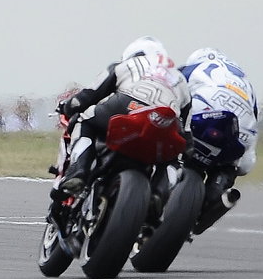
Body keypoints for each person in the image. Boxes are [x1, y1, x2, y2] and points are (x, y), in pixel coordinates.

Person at [51, 36, 192, 202]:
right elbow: (186, 131)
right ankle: (159, 195)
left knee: (85, 120)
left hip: (128, 104)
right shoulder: (180, 78)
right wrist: (186, 148)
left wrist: (68, 107)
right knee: (173, 156)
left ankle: (78, 172)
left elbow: (86, 97)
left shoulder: (125, 65)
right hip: (165, 120)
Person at [181, 47, 259, 225]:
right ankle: (216, 196)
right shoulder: (245, 82)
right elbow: (255, 119)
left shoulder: (194, 68)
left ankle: (166, 174)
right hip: (241, 131)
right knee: (237, 166)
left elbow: (172, 88)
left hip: (205, 115)